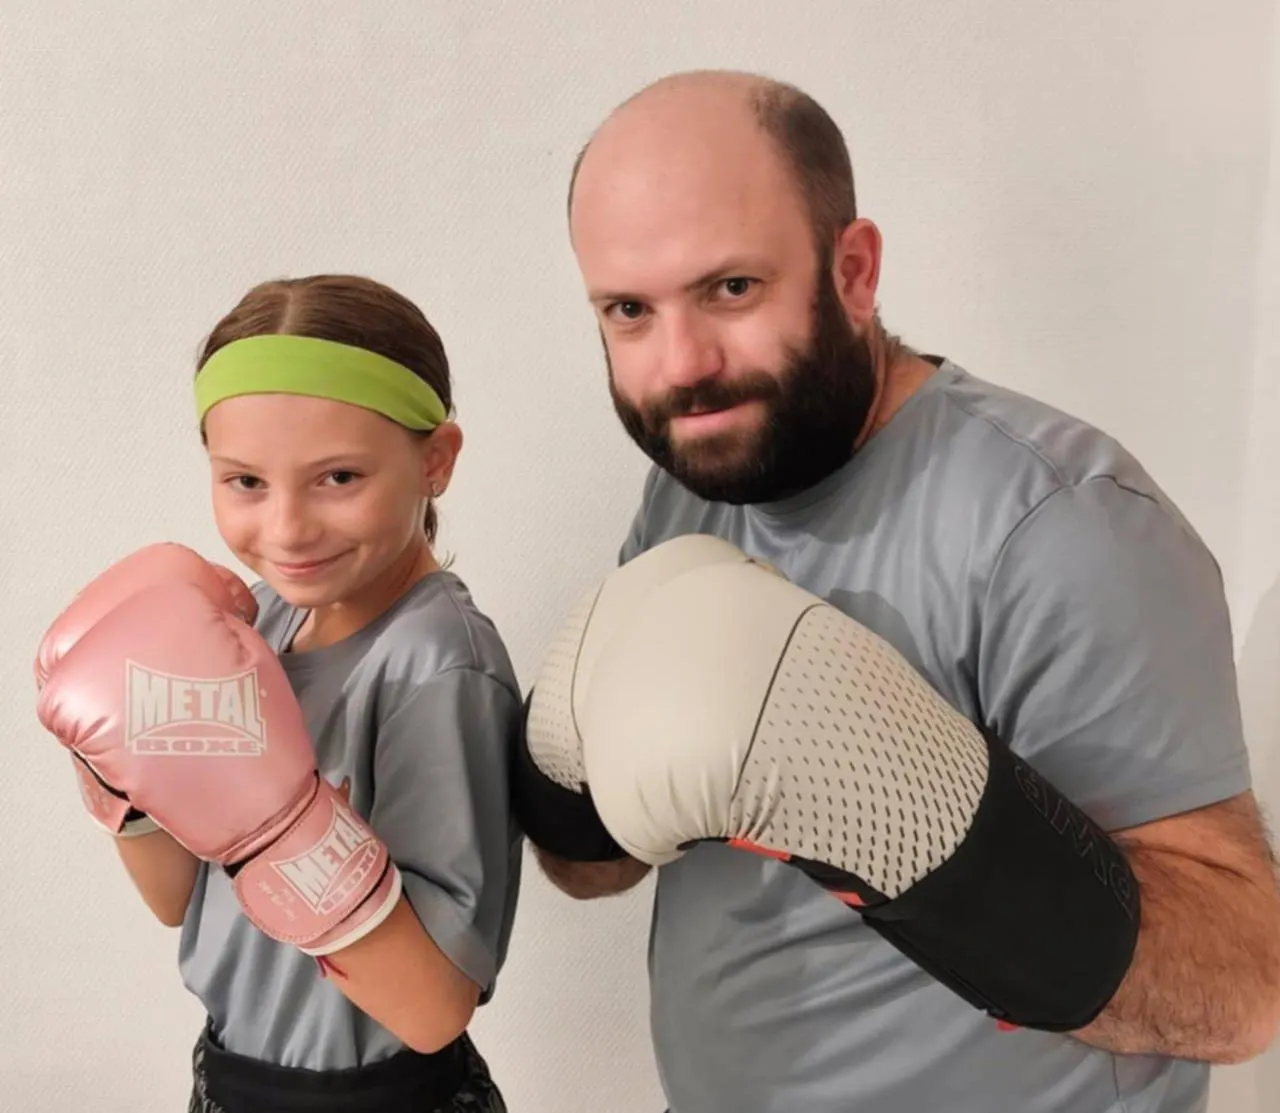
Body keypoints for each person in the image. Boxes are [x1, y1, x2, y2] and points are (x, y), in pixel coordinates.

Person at [512, 70, 1280, 1112]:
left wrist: (906, 811)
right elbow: (598, 868)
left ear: (854, 271)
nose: (683, 364)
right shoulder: (694, 481)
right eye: (628, 311)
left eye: (730, 288)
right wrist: (566, 789)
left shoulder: (1059, 525)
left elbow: (1244, 992)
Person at [34, 274, 523, 1112]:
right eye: (246, 482)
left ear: (435, 460)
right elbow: (175, 899)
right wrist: (112, 767)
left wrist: (287, 831)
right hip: (229, 1076)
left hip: (379, 1098)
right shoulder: (256, 619)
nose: (288, 528)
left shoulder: (437, 668)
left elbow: (434, 1007)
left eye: (338, 477)